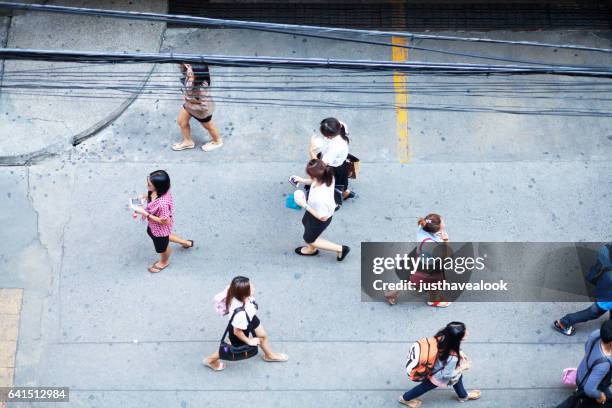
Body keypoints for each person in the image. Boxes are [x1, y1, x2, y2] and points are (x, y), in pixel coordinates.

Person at [203, 276, 288, 371]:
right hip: (241, 325)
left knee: (262, 336)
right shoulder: (240, 314)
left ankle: (270, 355)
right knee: (235, 346)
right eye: (250, 287)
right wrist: (249, 341)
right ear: (243, 293)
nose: (253, 287)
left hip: (249, 318)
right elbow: (237, 331)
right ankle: (210, 360)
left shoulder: (234, 290)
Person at [400, 322, 481, 407]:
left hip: (433, 366)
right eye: (464, 334)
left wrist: (460, 352)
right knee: (424, 387)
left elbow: (450, 345)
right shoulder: (453, 358)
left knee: (458, 377)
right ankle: (405, 398)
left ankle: (463, 395)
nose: (467, 333)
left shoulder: (442, 336)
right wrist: (463, 368)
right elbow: (447, 375)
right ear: (457, 339)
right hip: (437, 375)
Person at [132, 170, 193, 273]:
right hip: (155, 228)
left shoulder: (162, 204)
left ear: (158, 186)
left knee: (163, 248)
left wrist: (145, 213)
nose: (146, 185)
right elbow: (150, 197)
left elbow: (165, 221)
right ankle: (186, 242)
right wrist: (141, 200)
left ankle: (164, 262)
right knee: (165, 237)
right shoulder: (156, 191)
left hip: (159, 229)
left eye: (149, 184)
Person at [291, 159, 350, 261]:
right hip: (314, 212)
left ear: (315, 176)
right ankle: (311, 248)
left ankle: (340, 249)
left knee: (309, 239)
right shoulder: (328, 176)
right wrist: (302, 180)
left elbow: (323, 217)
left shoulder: (321, 197)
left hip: (318, 217)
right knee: (306, 224)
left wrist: (303, 204)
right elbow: (314, 181)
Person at [385, 214, 450, 307]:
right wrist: (446, 241)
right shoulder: (432, 244)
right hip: (429, 265)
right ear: (436, 228)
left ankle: (391, 293)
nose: (444, 221)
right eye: (442, 221)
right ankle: (434, 300)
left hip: (419, 257)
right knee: (433, 281)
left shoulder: (422, 227)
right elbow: (445, 256)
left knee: (411, 277)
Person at [555, 244, 612, 336]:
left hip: (602, 282)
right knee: (592, 313)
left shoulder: (607, 248)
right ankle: (564, 322)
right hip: (607, 295)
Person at [558, 320, 612, 407]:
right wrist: (600, 395)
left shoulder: (596, 334)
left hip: (581, 373)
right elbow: (589, 389)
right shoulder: (604, 364)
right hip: (589, 385)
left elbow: (587, 348)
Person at [172, 62, 223, 152]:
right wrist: (185, 65)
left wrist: (188, 101)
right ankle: (188, 141)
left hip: (201, 112)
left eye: (190, 71)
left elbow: (204, 107)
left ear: (197, 75)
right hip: (189, 106)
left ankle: (217, 141)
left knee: (209, 126)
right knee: (181, 122)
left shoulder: (201, 88)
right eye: (189, 67)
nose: (188, 71)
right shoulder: (190, 76)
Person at [309, 117, 356, 203]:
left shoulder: (335, 148)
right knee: (340, 182)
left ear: (329, 136)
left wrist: (311, 150)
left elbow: (319, 166)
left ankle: (343, 194)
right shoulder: (339, 125)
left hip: (333, 167)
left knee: (331, 184)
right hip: (340, 163)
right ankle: (345, 192)